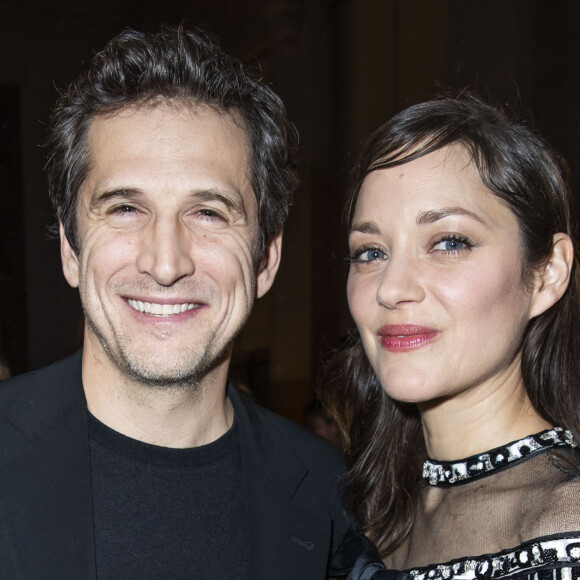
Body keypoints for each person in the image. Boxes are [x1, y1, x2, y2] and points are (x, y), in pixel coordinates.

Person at [0, 27, 348, 579]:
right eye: (124, 209)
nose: (165, 264)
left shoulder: (337, 500)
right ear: (70, 248)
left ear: (266, 259)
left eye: (209, 213)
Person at [326, 95, 580, 580]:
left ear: (547, 274)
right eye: (371, 252)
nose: (392, 288)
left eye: (449, 242)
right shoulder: (369, 508)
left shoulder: (565, 529)